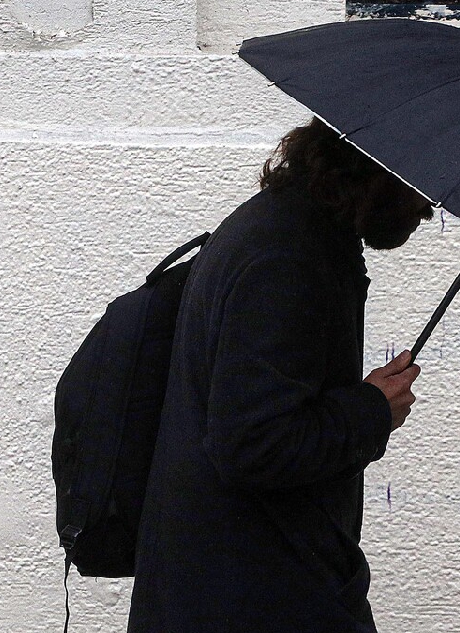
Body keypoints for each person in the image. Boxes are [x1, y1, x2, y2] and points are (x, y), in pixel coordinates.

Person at [127, 116, 432, 632]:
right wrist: (371, 410)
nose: (427, 207)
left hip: (239, 585)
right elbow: (253, 444)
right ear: (378, 168)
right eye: (420, 182)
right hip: (254, 594)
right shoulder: (287, 258)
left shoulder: (286, 230)